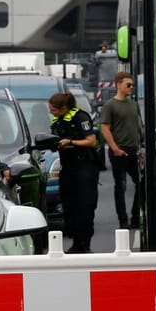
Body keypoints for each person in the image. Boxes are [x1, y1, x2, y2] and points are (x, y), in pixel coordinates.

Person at [48, 91, 101, 253]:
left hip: (84, 166)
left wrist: (71, 142)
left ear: (64, 107)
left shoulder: (80, 117)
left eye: (54, 109)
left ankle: (84, 244)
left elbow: (91, 141)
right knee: (68, 205)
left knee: (84, 205)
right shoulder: (58, 120)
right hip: (68, 168)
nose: (51, 112)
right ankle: (76, 241)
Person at [98, 72, 143, 231]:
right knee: (121, 186)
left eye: (132, 85)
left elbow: (138, 126)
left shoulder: (133, 104)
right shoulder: (110, 105)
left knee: (140, 184)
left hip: (133, 151)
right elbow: (105, 128)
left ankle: (135, 217)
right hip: (119, 152)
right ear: (118, 85)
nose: (131, 87)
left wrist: (140, 146)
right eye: (128, 85)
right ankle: (123, 220)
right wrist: (115, 148)